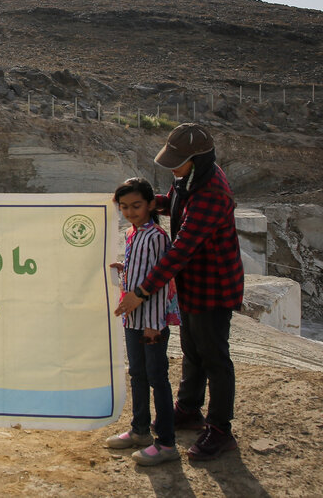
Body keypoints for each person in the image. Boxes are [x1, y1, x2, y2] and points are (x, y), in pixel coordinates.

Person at [115, 124, 244, 461]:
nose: (173, 167)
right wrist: (136, 202)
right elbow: (169, 203)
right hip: (190, 283)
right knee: (192, 349)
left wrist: (141, 292)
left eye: (178, 161)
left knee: (215, 356)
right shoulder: (189, 179)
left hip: (213, 285)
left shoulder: (211, 193)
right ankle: (189, 408)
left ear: (197, 160)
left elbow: (181, 249)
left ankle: (220, 430)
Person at [105, 177, 181, 466]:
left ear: (151, 204)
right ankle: (140, 431)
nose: (130, 212)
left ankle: (166, 442)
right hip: (132, 319)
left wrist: (154, 324)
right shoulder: (131, 235)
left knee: (157, 378)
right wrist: (123, 269)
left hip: (151, 322)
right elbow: (141, 271)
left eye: (136, 206)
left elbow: (161, 281)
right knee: (137, 374)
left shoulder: (157, 237)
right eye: (124, 207)